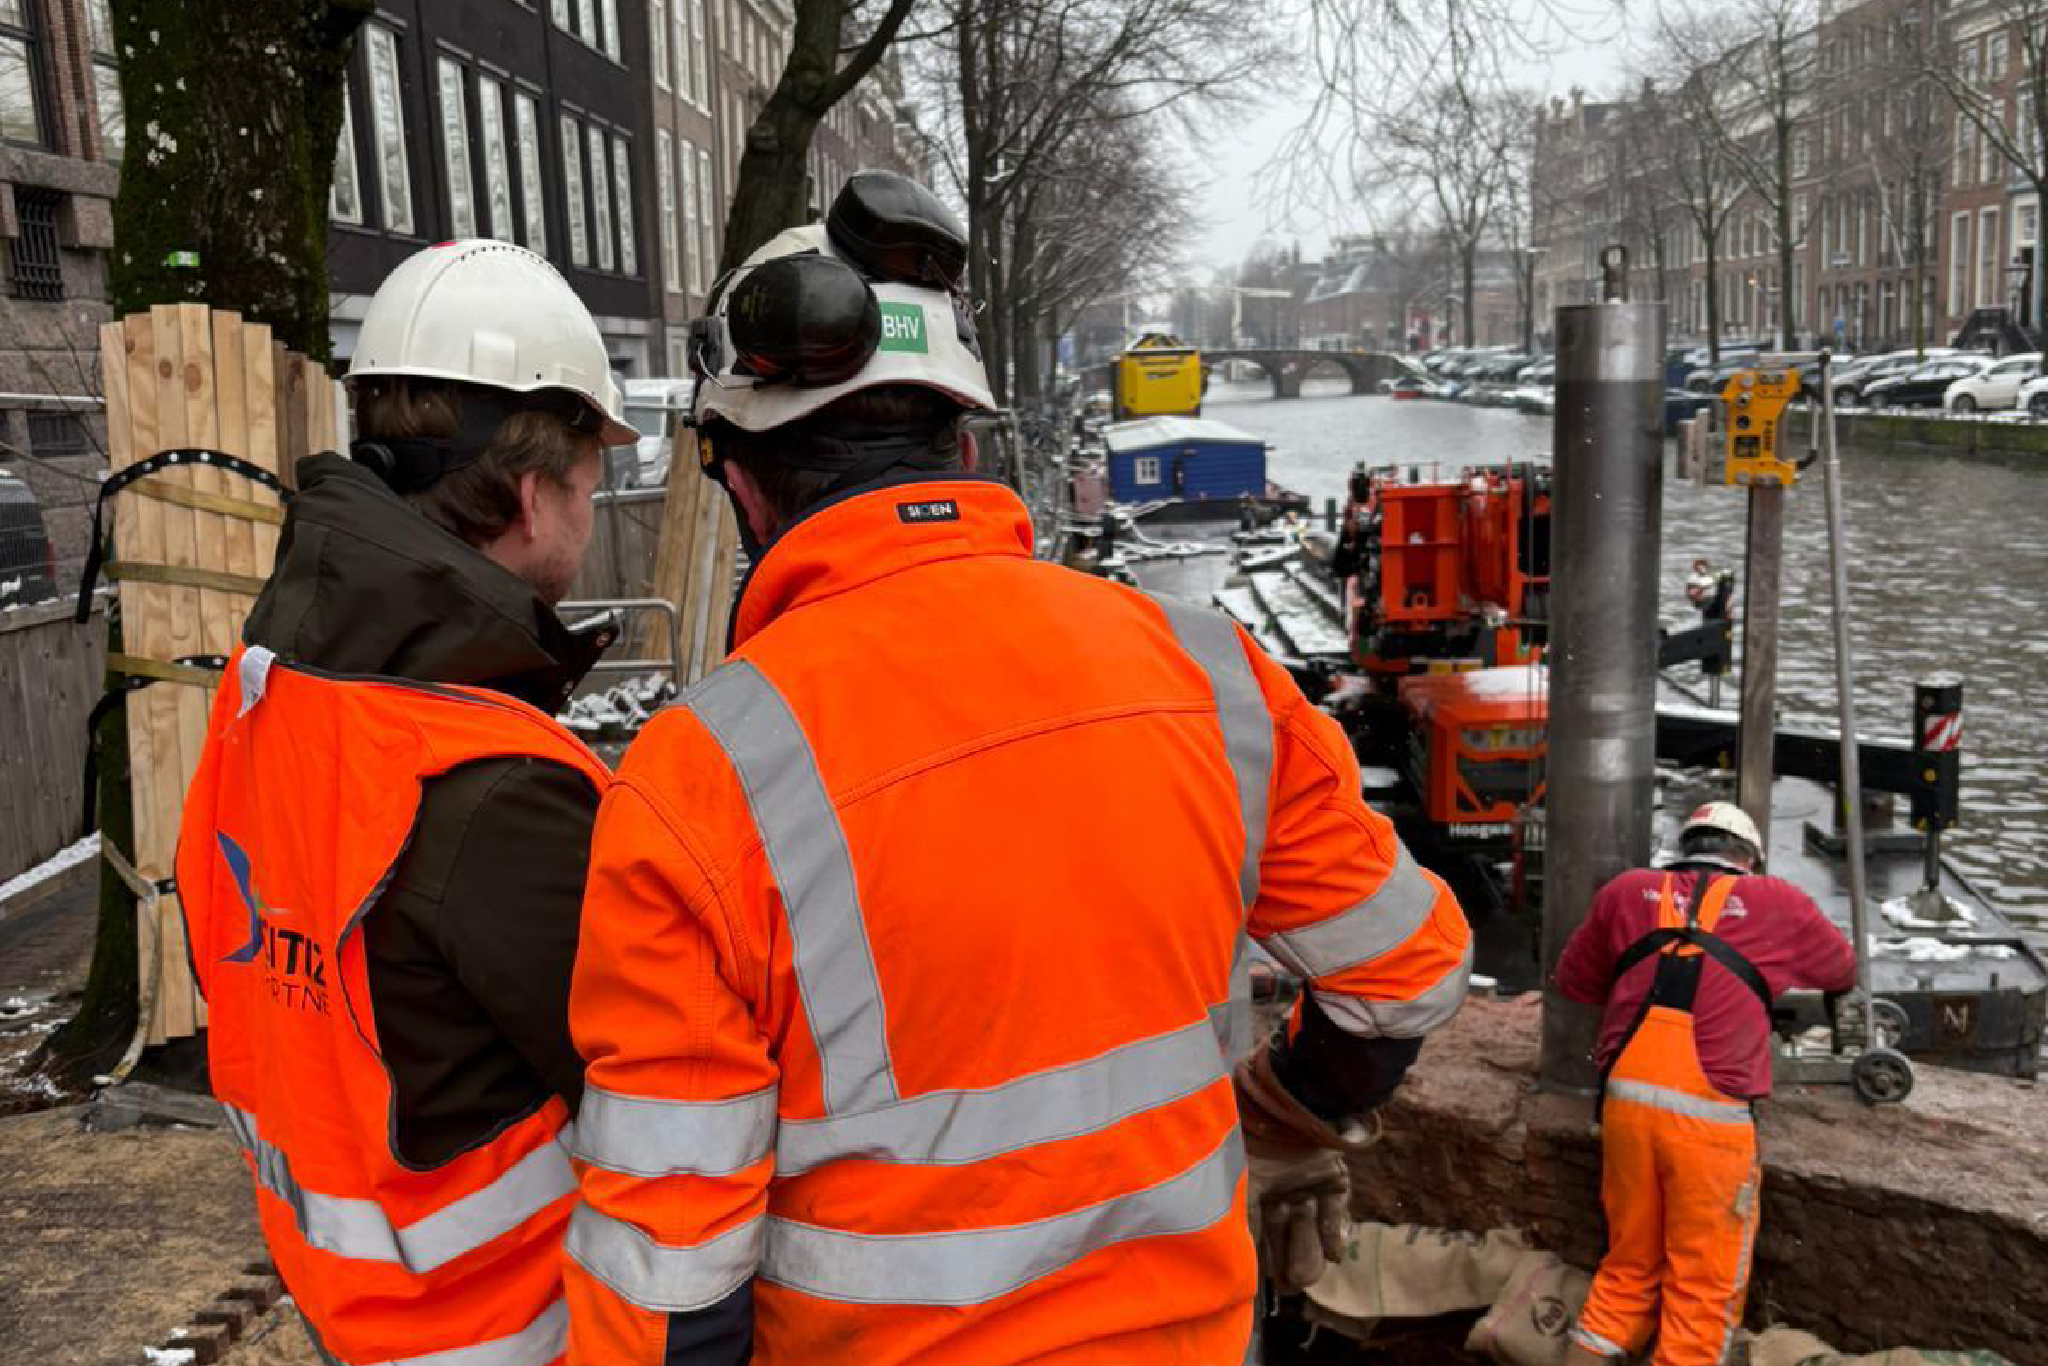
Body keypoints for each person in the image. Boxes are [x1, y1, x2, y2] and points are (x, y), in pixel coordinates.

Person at [561, 170, 1474, 1366]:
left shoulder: (696, 779)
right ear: (963, 435)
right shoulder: (1212, 674)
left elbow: (669, 1288)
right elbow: (1405, 973)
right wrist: (1275, 1105)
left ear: (739, 474)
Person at [176, 240, 638, 1366]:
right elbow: (660, 1085)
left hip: (353, 1306)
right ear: (532, 493)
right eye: (588, 486)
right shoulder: (492, 783)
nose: (587, 515)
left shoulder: (271, 690)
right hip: (515, 1328)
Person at [1555, 802, 1858, 1366]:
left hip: (1624, 1102)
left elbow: (1574, 980)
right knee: (1702, 1290)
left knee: (1626, 1268)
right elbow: (1841, 970)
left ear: (1686, 846)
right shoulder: (1779, 903)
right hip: (1710, 1117)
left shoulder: (1625, 891)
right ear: (1749, 859)